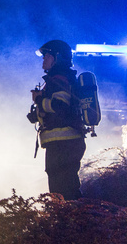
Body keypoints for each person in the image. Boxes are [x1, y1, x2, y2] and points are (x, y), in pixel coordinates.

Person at [29, 40, 86, 200]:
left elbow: (60, 106)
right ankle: (73, 214)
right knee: (64, 190)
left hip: (63, 145)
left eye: (47, 56)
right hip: (64, 145)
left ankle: (74, 216)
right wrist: (37, 114)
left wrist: (39, 99)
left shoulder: (59, 79)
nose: (43, 59)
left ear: (58, 58)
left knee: (63, 192)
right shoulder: (59, 79)